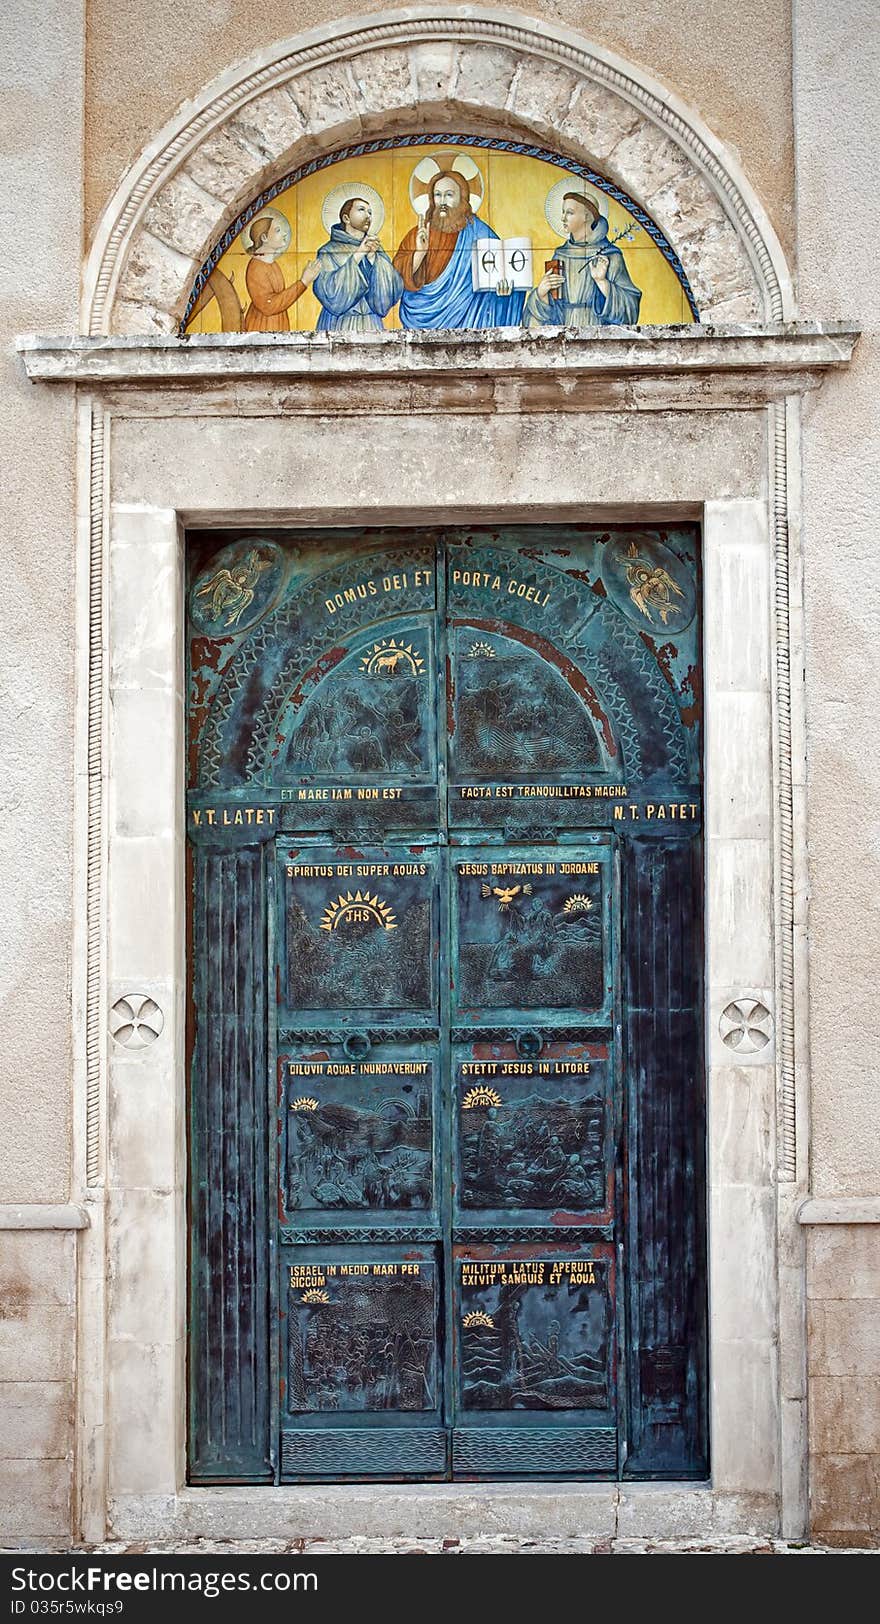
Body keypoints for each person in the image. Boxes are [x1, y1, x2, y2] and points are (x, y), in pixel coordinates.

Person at [393, 171, 523, 329]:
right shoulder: (419, 233)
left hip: (470, 317)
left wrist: (503, 290)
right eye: (437, 195)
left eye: (449, 195)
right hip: (419, 317)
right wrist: (419, 254)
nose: (442, 201)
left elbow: (504, 271)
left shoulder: (478, 232)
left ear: (462, 198)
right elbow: (395, 279)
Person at [525, 191, 641, 327]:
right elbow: (550, 314)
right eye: (563, 212)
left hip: (597, 334)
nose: (563, 218)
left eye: (569, 212)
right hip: (564, 335)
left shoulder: (609, 256)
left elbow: (630, 309)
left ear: (586, 216)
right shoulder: (560, 255)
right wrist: (541, 294)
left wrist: (602, 282)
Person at [312, 196, 403, 332]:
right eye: (362, 210)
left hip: (371, 324)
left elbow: (390, 294)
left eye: (370, 212)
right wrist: (358, 256)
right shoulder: (328, 251)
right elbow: (330, 294)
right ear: (346, 218)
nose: (368, 215)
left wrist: (374, 260)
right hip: (339, 325)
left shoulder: (378, 251)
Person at [242, 214, 319, 332]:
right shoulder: (256, 267)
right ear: (264, 237)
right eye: (277, 230)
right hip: (262, 326)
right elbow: (268, 306)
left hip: (277, 323)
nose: (284, 234)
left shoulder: (272, 263)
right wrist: (303, 282)